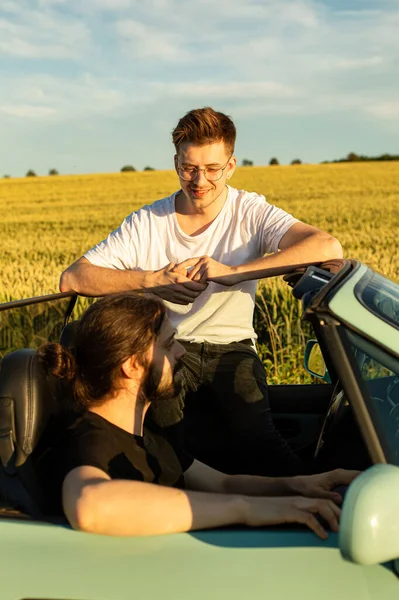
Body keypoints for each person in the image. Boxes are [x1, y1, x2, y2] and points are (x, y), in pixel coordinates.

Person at [59, 107, 343, 477]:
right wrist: (152, 279)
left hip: (235, 347)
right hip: (170, 345)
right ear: (176, 162)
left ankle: (309, 501)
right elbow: (74, 278)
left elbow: (326, 247)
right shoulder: (147, 222)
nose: (200, 180)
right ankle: (179, 503)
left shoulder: (250, 211)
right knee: (168, 438)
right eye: (189, 167)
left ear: (231, 165)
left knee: (258, 440)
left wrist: (234, 273)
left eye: (212, 169)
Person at [34, 292, 357, 538]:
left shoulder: (151, 434)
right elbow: (91, 505)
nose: (181, 352)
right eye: (168, 344)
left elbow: (224, 484)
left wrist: (305, 485)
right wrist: (249, 511)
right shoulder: (86, 437)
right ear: (131, 365)